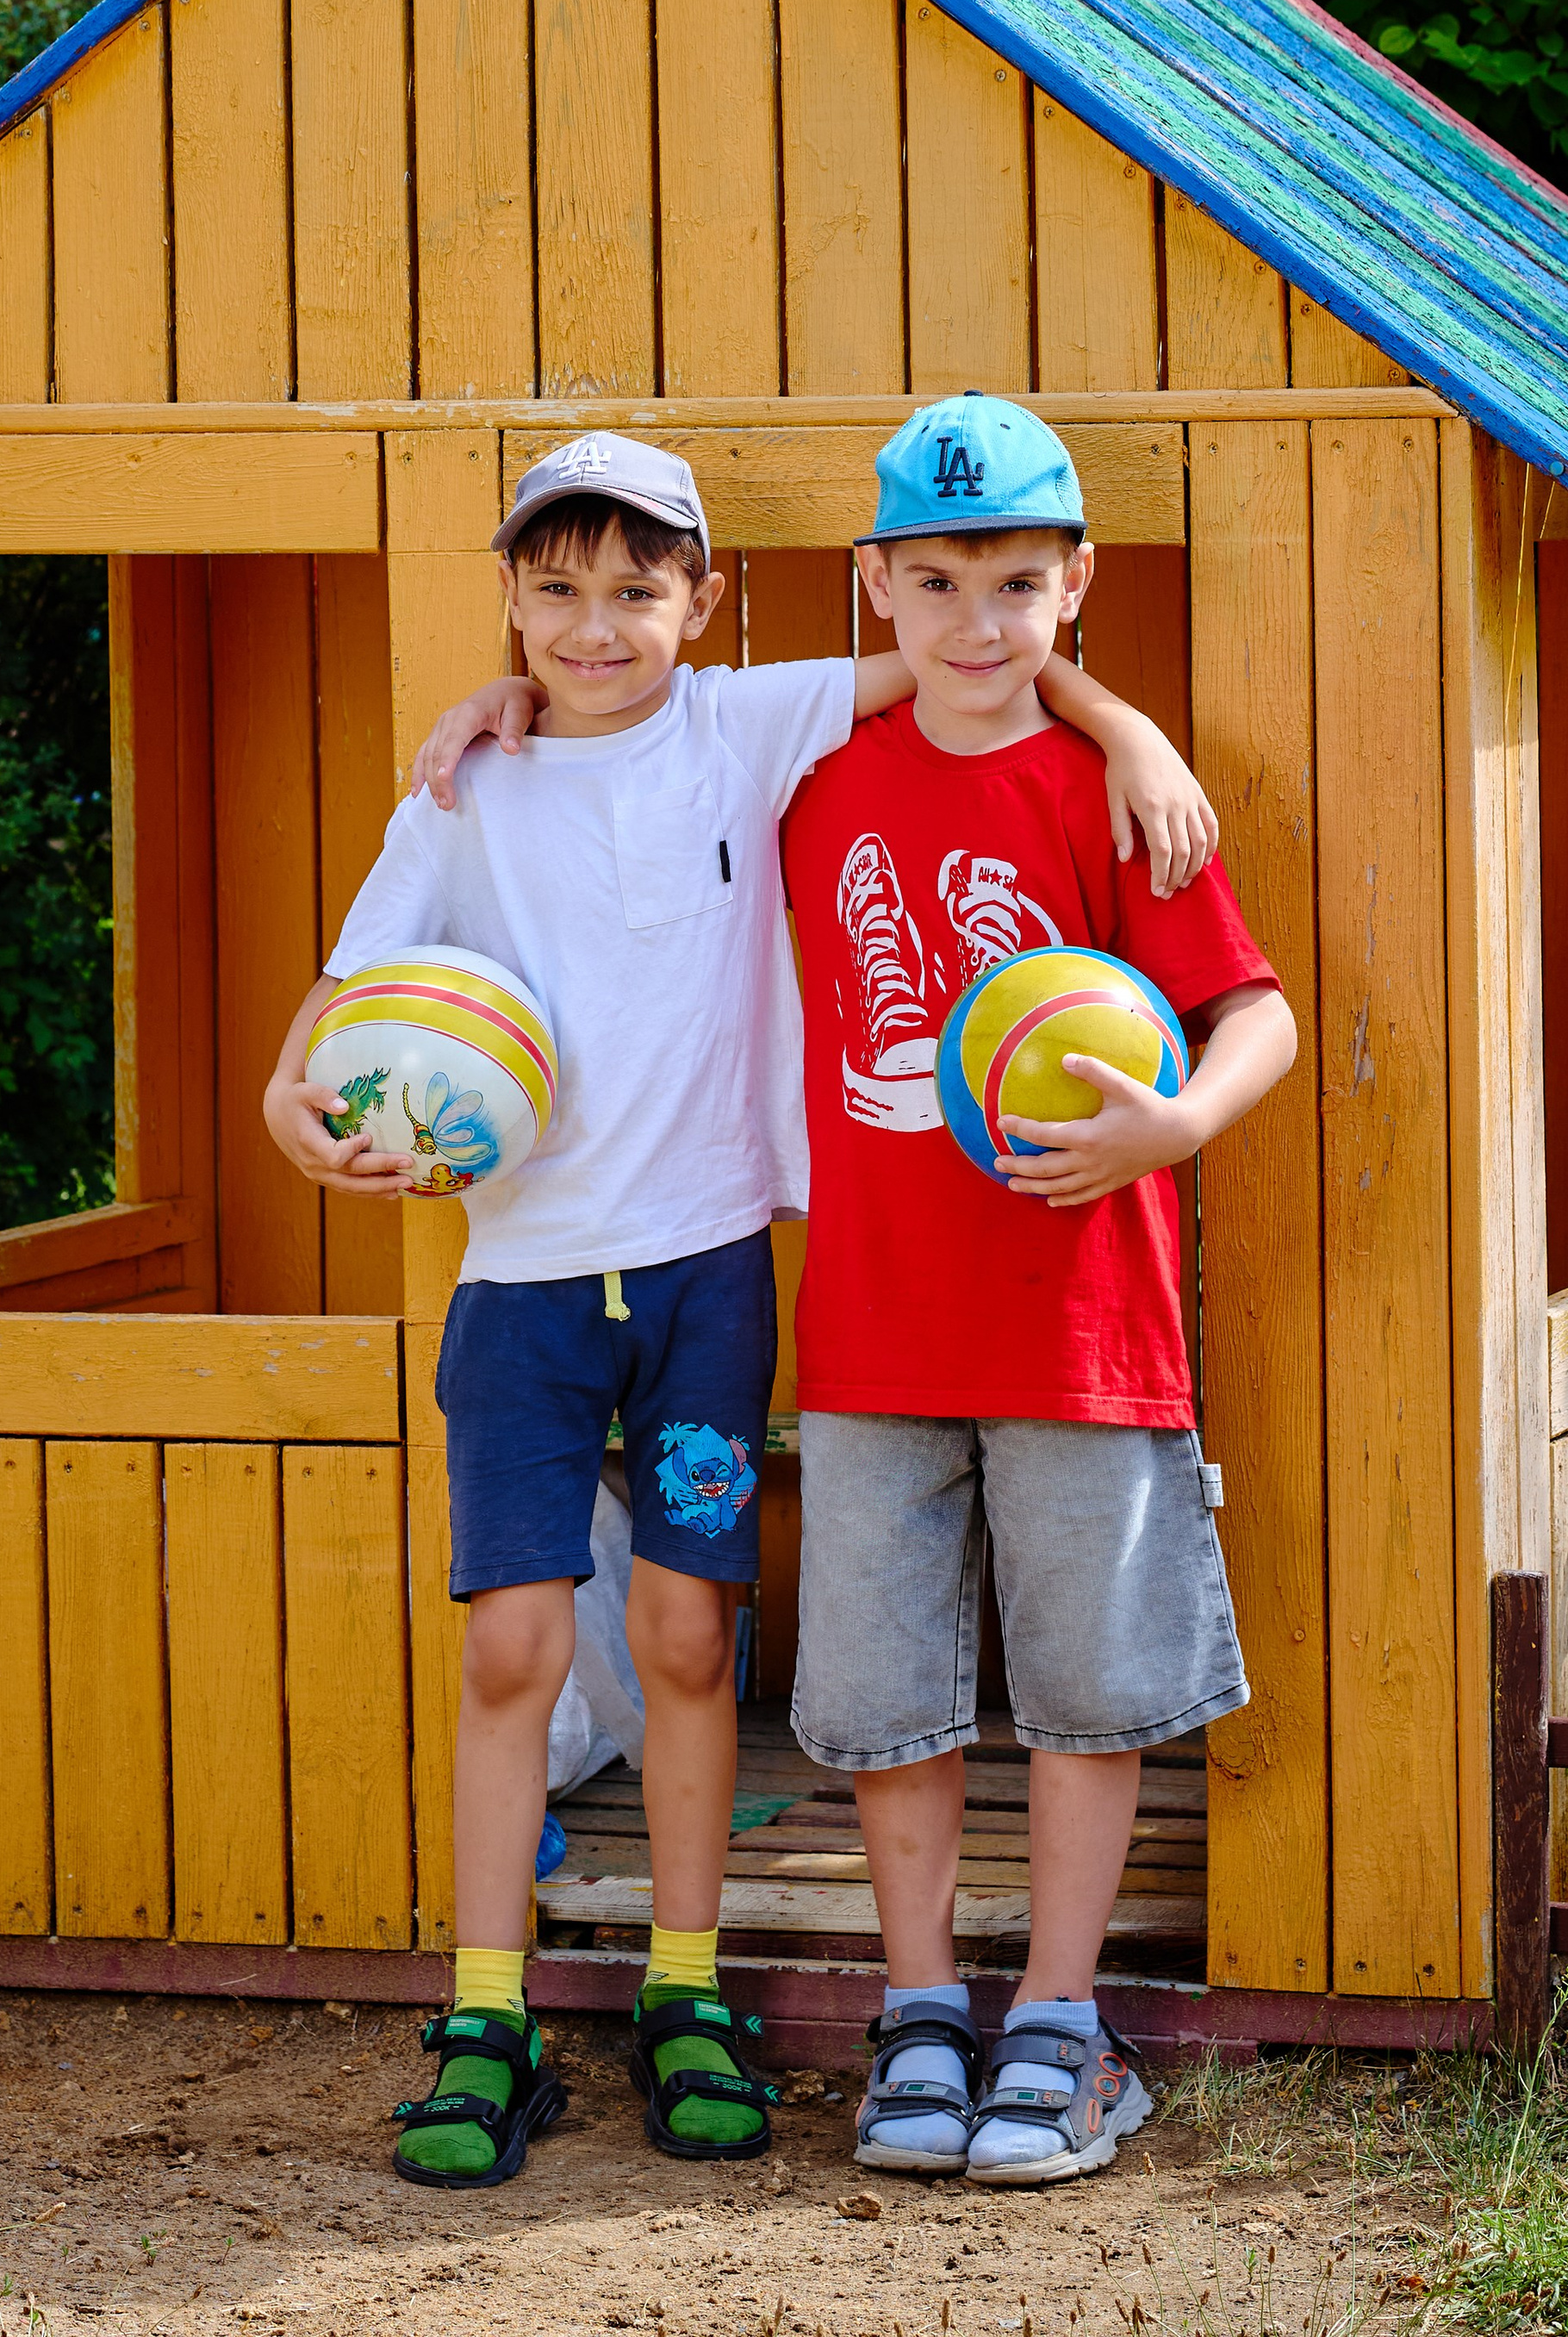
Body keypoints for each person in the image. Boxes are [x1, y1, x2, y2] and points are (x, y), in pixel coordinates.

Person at [272, 431, 1215, 2190]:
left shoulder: (748, 721)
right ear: (507, 598)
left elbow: (979, 647)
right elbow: (321, 1035)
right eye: (553, 591)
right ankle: (486, 2015)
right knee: (511, 1646)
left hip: (709, 1268)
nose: (596, 624)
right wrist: (297, 1123)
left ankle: (682, 1994)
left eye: (636, 590)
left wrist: (1129, 725)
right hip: (521, 1286)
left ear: (703, 602)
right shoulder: (456, 794)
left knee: (695, 1640)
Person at [779, 394, 1296, 2186]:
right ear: (872, 587)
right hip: (869, 1328)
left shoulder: (1107, 791)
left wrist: (1171, 1129)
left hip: (1084, 1327)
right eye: (934, 581)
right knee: (880, 1695)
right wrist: (495, 703)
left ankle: (1060, 2028)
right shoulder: (809, 779)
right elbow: (628, 731)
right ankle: (921, 2014)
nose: (976, 622)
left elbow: (1255, 1011)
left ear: (1073, 583)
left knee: (1084, 1691)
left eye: (1015, 582)